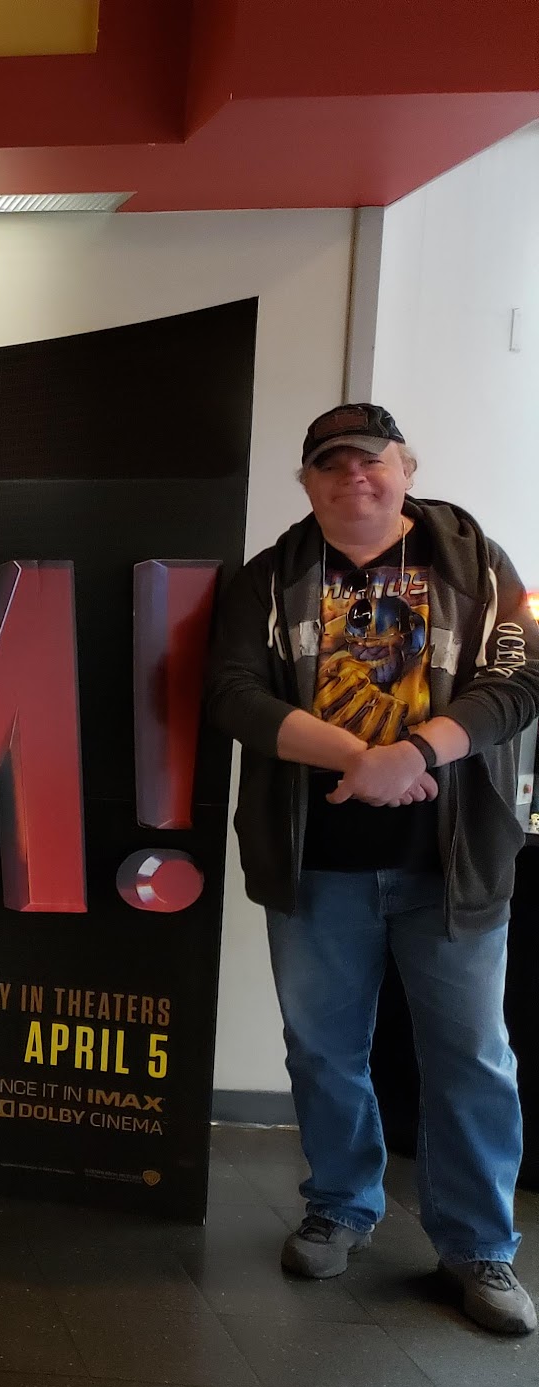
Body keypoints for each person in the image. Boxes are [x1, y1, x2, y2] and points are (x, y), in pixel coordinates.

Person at [206, 403, 538, 1336]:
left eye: (371, 460)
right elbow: (230, 693)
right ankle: (341, 1205)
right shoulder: (269, 579)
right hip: (317, 864)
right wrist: (362, 759)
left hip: (454, 864)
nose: (354, 476)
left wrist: (416, 753)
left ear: (406, 468)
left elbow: (520, 682)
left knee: (472, 1057)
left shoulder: (480, 567)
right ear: (308, 484)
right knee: (323, 1049)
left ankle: (478, 1244)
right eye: (332, 464)